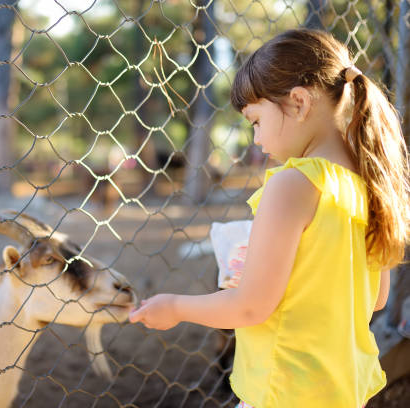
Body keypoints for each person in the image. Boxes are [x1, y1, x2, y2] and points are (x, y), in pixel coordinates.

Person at [129, 28, 410, 407]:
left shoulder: (293, 184)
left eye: (256, 120)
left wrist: (175, 307)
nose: (257, 140)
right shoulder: (367, 184)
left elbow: (251, 307)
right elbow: (376, 298)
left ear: (298, 103)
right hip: (340, 390)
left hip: (284, 390)